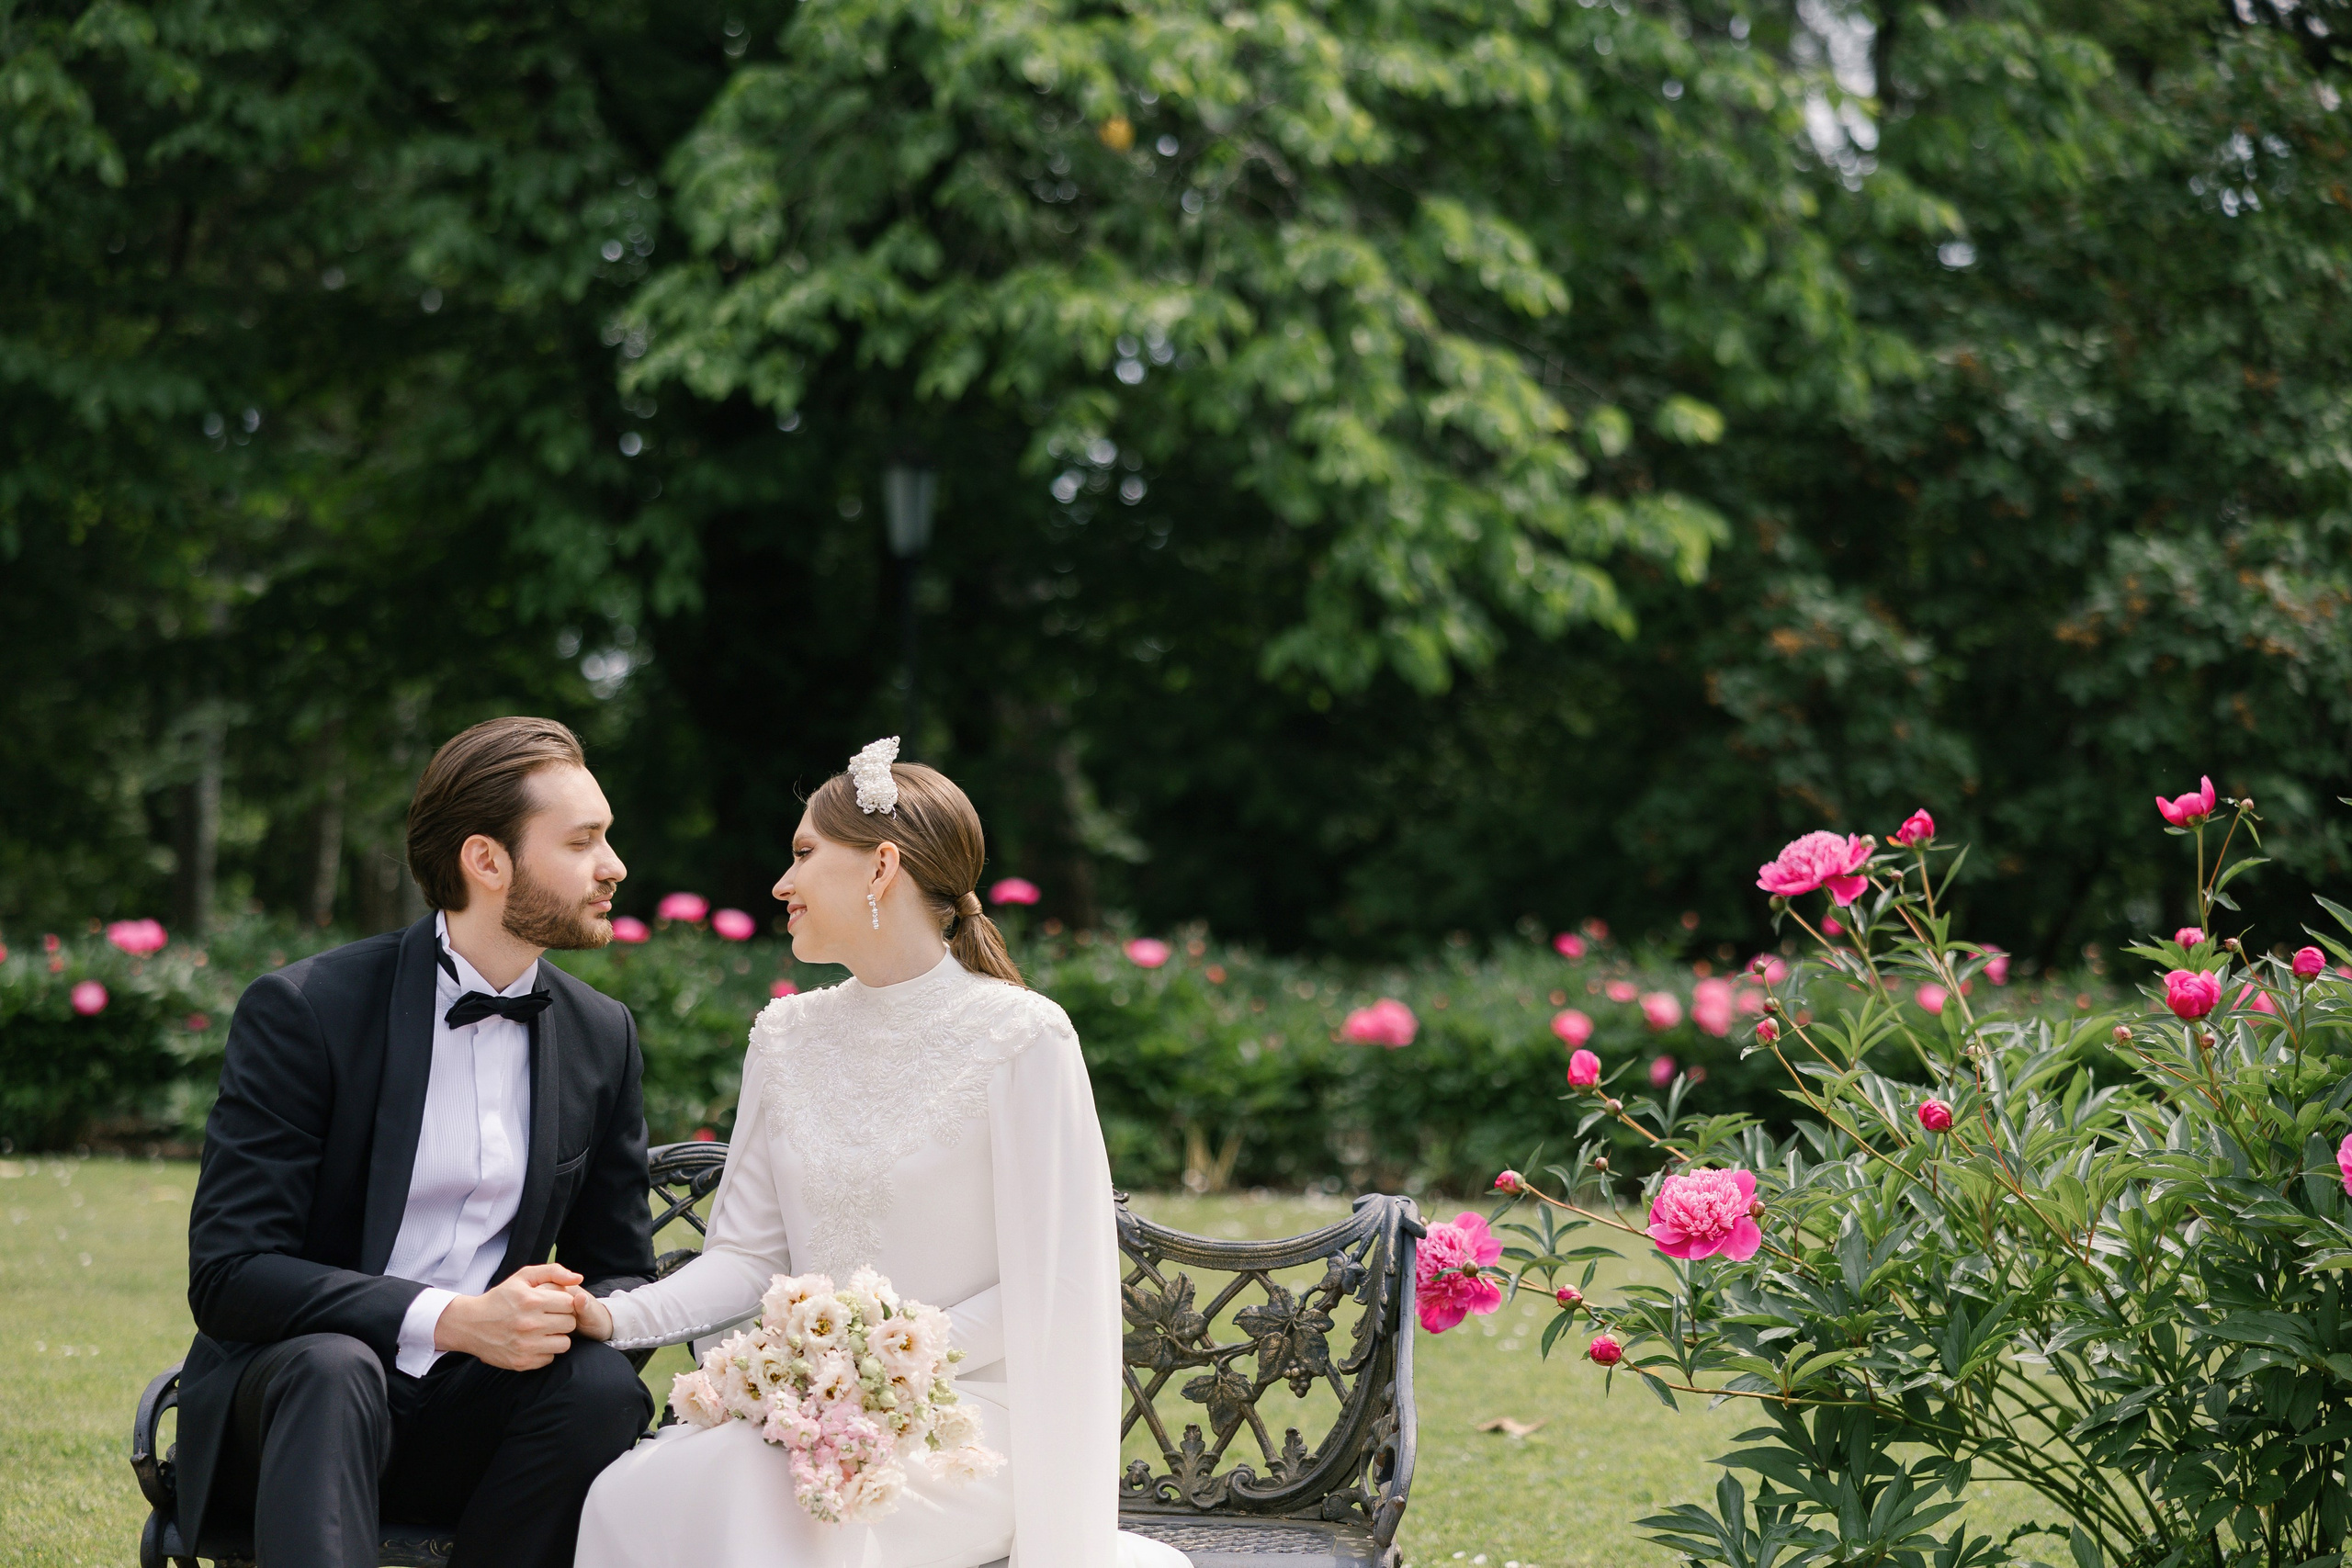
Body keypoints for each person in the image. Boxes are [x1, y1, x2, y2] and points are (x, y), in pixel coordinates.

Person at [569, 739, 1188, 1568]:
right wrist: (612, 1315)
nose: (781, 884)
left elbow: (1054, 1277)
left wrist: (881, 1362)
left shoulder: (1021, 1036)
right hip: (804, 1418)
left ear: (881, 865)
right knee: (631, 1491)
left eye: (802, 853)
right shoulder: (785, 1036)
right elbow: (749, 1258)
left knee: (771, 1494)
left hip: (967, 1421)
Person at [179, 716, 661, 1568]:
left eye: (608, 838)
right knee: (335, 1369)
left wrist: (579, 1308)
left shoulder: (601, 1035)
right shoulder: (308, 1011)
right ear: (486, 859)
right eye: (584, 841)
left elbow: (619, 1263)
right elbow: (231, 1274)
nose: (613, 865)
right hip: (300, 1415)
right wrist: (455, 1320)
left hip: (477, 1432)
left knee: (598, 1386)